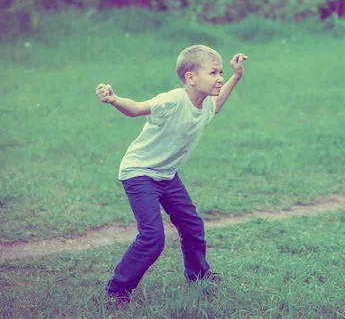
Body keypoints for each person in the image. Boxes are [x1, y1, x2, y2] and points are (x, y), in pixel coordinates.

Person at [96, 45, 248, 303]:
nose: (219, 77)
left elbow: (218, 104)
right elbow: (136, 108)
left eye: (221, 72)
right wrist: (114, 99)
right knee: (153, 238)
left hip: (167, 175)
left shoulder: (205, 105)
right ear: (191, 78)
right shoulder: (173, 101)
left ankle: (199, 275)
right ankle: (117, 290)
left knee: (192, 225)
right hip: (140, 172)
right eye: (213, 72)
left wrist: (236, 77)